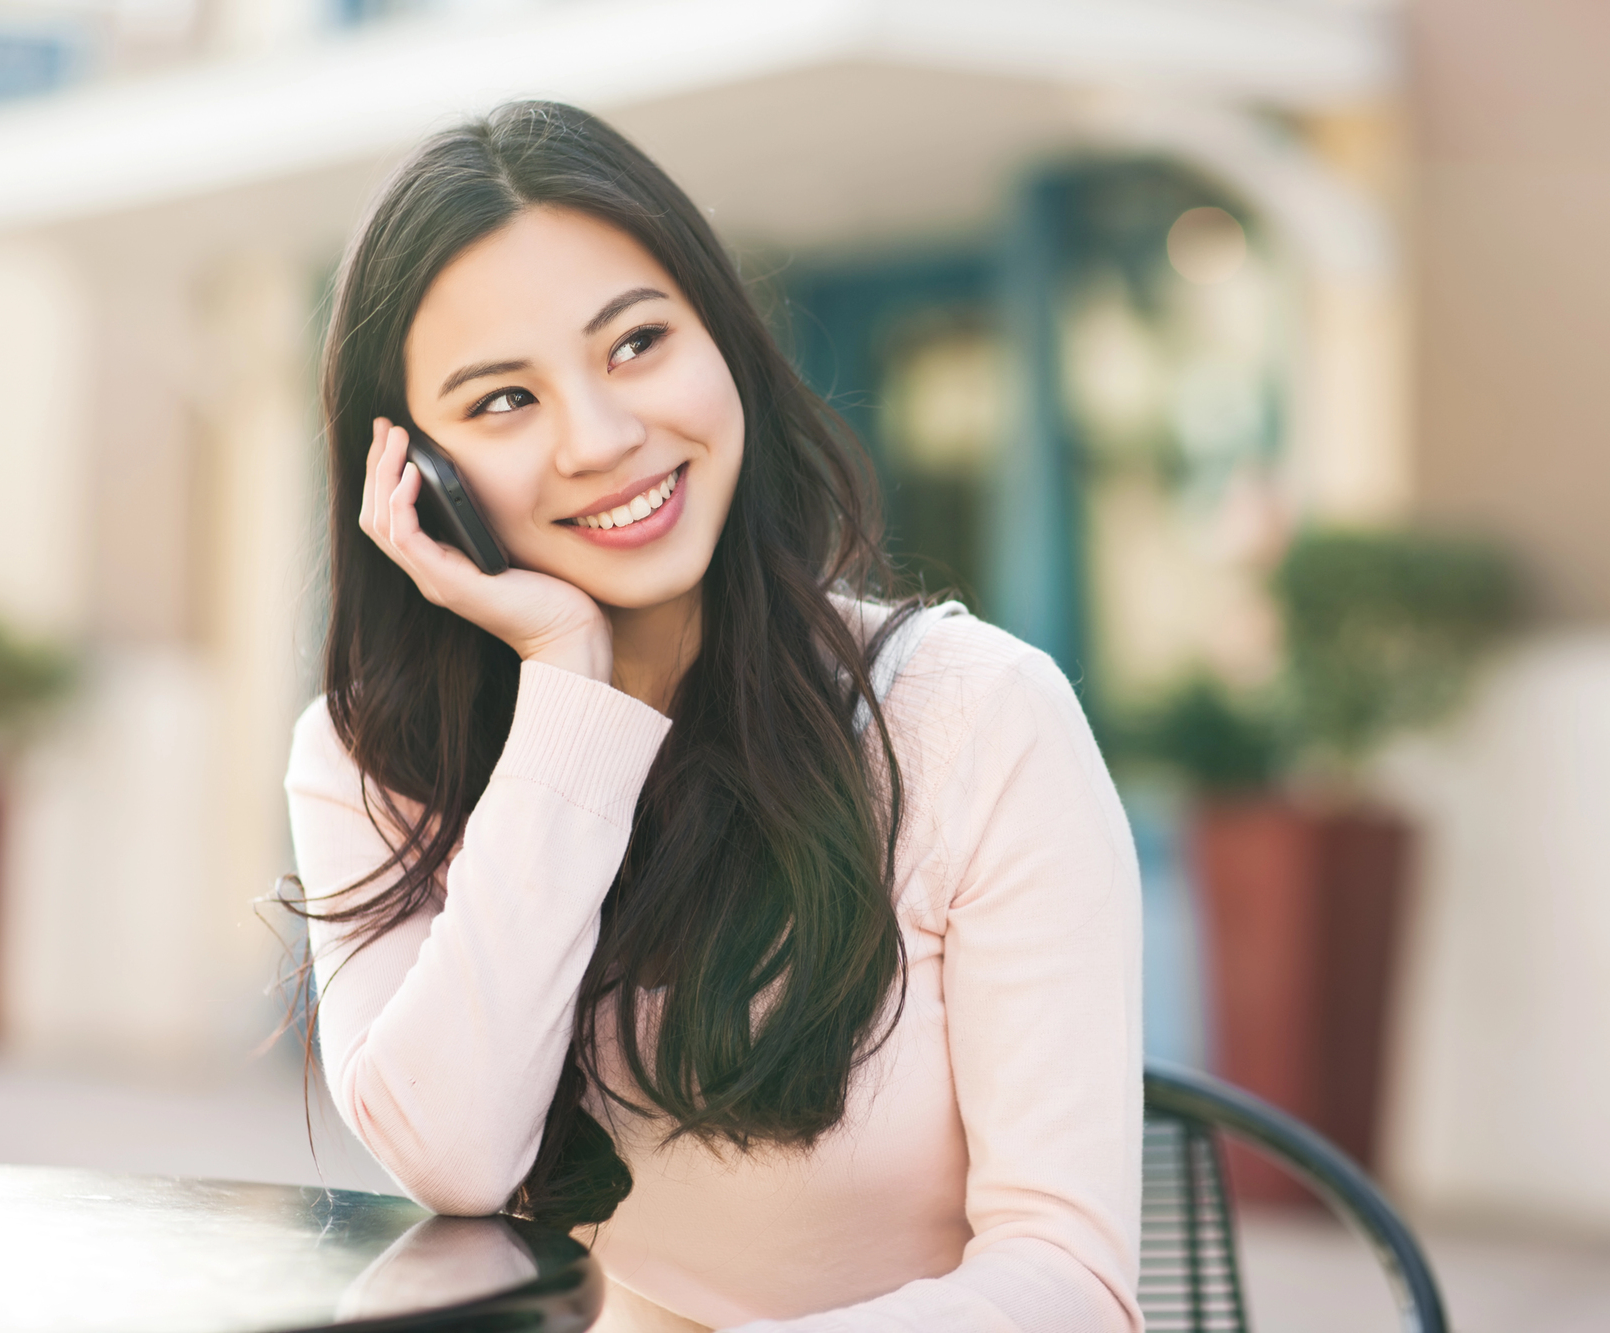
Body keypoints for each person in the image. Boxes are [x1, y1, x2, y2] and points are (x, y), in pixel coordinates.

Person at [283, 100, 1144, 1333]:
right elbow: (457, 1156)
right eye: (502, 402)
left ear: (722, 337)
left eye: (635, 342)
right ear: (416, 476)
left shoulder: (977, 717)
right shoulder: (371, 756)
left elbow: (1070, 1278)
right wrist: (569, 696)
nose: (601, 437)